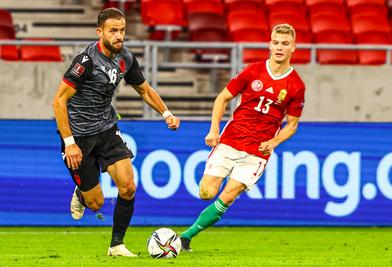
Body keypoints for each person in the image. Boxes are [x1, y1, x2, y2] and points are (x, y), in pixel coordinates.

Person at [52, 8, 180, 257]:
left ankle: (116, 245)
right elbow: (58, 101)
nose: (119, 35)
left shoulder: (126, 58)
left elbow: (143, 89)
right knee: (95, 203)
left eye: (122, 30)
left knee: (129, 187)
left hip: (107, 128)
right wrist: (69, 143)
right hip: (78, 137)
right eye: (113, 31)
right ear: (100, 32)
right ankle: (82, 191)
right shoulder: (85, 62)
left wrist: (166, 113)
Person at [180, 24, 305, 251]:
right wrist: (214, 130)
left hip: (257, 152)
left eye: (285, 44)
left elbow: (292, 125)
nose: (279, 47)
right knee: (206, 193)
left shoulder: (296, 85)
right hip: (230, 141)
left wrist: (274, 142)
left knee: (230, 194)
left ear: (293, 48)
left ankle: (186, 236)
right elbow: (222, 98)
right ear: (270, 44)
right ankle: (192, 229)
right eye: (276, 42)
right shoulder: (253, 71)